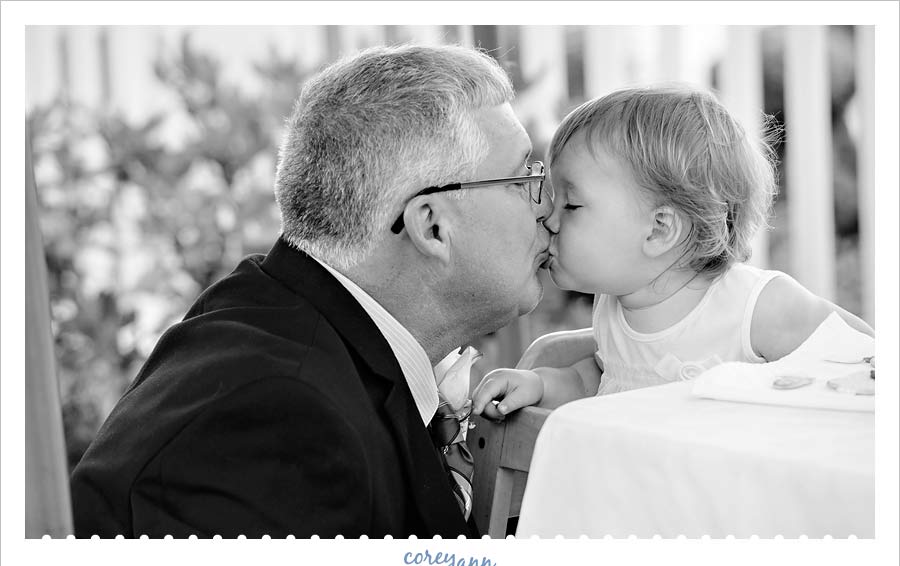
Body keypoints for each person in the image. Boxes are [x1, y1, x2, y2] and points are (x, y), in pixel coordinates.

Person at [70, 44, 553, 538]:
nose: (546, 208)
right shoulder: (277, 422)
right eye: (522, 179)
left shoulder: (289, 332)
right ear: (431, 227)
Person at [472, 85, 873, 418]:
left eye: (571, 205)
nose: (549, 218)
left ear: (660, 229)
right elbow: (599, 381)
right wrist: (541, 385)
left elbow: (867, 360)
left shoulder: (755, 308)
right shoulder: (615, 310)